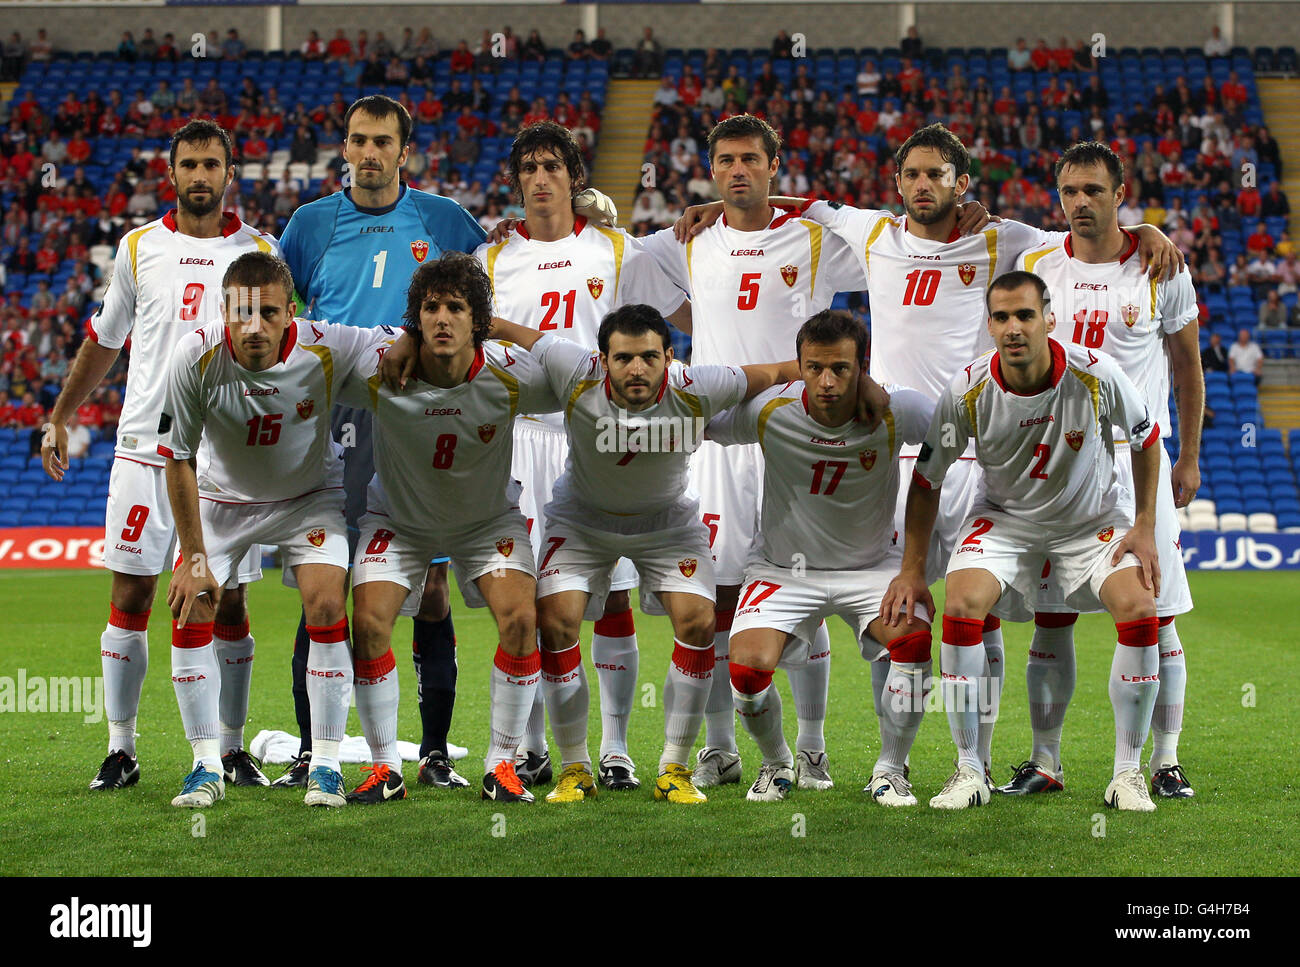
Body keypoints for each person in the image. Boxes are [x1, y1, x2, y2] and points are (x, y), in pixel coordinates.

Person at [674, 122, 1181, 784]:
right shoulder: (873, 233)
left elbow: (1083, 239)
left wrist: (1146, 233)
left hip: (979, 451)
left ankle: (982, 761)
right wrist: (720, 207)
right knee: (895, 603)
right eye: (911, 174)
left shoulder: (1001, 238)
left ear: (961, 183)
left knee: (985, 607)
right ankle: (896, 763)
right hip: (894, 449)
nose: (922, 185)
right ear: (896, 184)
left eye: (936, 174)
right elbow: (790, 204)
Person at [638, 115, 879, 792]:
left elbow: (895, 241)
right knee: (711, 599)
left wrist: (804, 205)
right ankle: (719, 749)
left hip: (796, 440)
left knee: (804, 594)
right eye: (724, 161)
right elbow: (619, 269)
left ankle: (811, 749)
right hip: (715, 443)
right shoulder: (688, 241)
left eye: (749, 159)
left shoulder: (813, 237)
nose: (736, 170)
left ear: (775, 166)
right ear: (710, 169)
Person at [488, 305, 810, 804]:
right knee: (556, 623)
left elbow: (773, 372)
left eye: (648, 357)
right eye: (623, 359)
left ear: (669, 356)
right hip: (582, 520)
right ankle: (575, 767)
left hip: (667, 524)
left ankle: (674, 768)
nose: (636, 369)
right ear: (602, 360)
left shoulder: (699, 385)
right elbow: (517, 333)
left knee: (700, 622)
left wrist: (844, 380)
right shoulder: (574, 370)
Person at [41, 120, 277, 792]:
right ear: (170, 174)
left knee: (227, 604)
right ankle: (121, 749)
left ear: (231, 174)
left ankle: (227, 750)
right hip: (145, 450)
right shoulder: (140, 247)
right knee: (131, 593)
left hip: (225, 459)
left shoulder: (260, 251)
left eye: (212, 164)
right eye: (188, 165)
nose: (200, 175)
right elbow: (105, 340)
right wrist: (61, 415)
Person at [460, 121, 691, 790]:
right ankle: (534, 746)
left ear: (574, 179)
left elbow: (673, 314)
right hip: (519, 435)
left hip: (600, 435)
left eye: (552, 167)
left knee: (613, 597)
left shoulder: (621, 251)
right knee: (529, 601)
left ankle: (616, 748)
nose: (539, 178)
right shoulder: (490, 261)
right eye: (528, 167)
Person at [886, 270, 1164, 812]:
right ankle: (969, 770)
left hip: (1089, 522)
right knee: (962, 605)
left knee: (1140, 608)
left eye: (1025, 315)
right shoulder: (967, 388)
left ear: (1048, 319)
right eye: (1001, 317)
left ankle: (1127, 774)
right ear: (988, 325)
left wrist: (1146, 525)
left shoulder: (1096, 374)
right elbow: (927, 479)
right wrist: (913, 569)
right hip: (1006, 520)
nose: (1013, 328)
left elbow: (1147, 438)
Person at [278, 95, 486, 789]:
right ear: (344, 147)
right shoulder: (308, 225)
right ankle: (315, 747)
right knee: (326, 583)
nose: (370, 153)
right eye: (359, 140)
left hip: (419, 420)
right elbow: (281, 319)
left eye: (383, 142)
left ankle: (430, 753)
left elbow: (492, 292)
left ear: (406, 150)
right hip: (335, 423)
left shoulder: (445, 220)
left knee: (429, 583)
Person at [158, 252, 387, 808]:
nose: (252, 326)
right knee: (194, 607)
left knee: (328, 607)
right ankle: (206, 763)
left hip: (309, 499)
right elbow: (178, 457)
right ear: (223, 309)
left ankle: (327, 765)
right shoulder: (195, 354)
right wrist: (193, 556)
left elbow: (404, 349)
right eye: (240, 313)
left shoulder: (329, 345)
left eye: (267, 313)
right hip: (220, 501)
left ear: (292, 312)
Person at [1014, 141, 1202, 800]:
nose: (1081, 203)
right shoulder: (1036, 262)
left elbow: (1187, 367)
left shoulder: (1161, 265)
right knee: (1050, 613)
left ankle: (1161, 761)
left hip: (1136, 461)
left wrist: (1189, 455)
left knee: (1157, 610)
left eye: (1095, 190)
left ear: (1122, 194)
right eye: (1070, 191)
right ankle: (1045, 760)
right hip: (1059, 464)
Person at [349, 253, 555, 803]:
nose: (442, 318)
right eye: (431, 308)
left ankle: (502, 764)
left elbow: (581, 367)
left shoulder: (511, 373)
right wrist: (397, 339)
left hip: (486, 522)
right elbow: (313, 342)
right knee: (368, 624)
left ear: (477, 320)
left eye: (457, 308)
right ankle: (384, 766)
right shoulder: (381, 367)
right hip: (399, 521)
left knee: (520, 618)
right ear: (415, 317)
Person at [707, 311, 936, 804]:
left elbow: (949, 438)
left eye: (842, 369)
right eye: (814, 368)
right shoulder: (770, 410)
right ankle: (776, 763)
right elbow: (700, 419)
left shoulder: (901, 410)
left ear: (864, 368)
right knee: (746, 672)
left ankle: (891, 769)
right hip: (784, 571)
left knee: (914, 642)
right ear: (800, 366)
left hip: (872, 568)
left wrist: (913, 569)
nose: (826, 382)